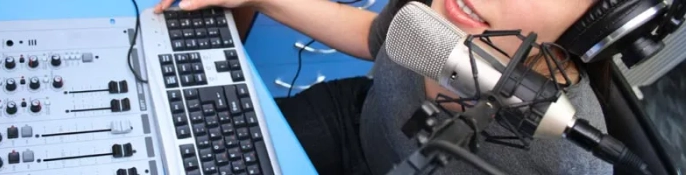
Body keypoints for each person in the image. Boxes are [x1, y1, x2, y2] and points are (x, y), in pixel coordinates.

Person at [154, 0, 612, 174]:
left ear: (595, 21)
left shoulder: (574, 157)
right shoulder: (435, 6)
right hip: (352, 122)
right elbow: (374, 38)